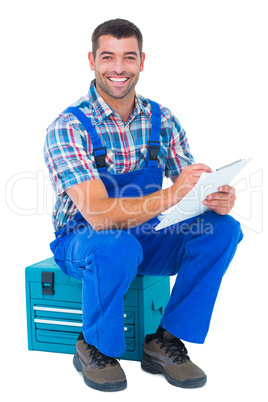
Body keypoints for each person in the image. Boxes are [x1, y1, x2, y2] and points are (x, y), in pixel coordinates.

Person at [44, 18, 243, 392]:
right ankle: (94, 346)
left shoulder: (161, 119)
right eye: (108, 57)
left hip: (146, 235)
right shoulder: (67, 128)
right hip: (83, 240)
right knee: (115, 244)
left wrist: (215, 197)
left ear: (141, 61)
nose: (118, 68)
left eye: (128, 57)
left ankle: (163, 340)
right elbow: (99, 215)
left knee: (222, 230)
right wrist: (173, 193)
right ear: (92, 60)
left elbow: (190, 188)